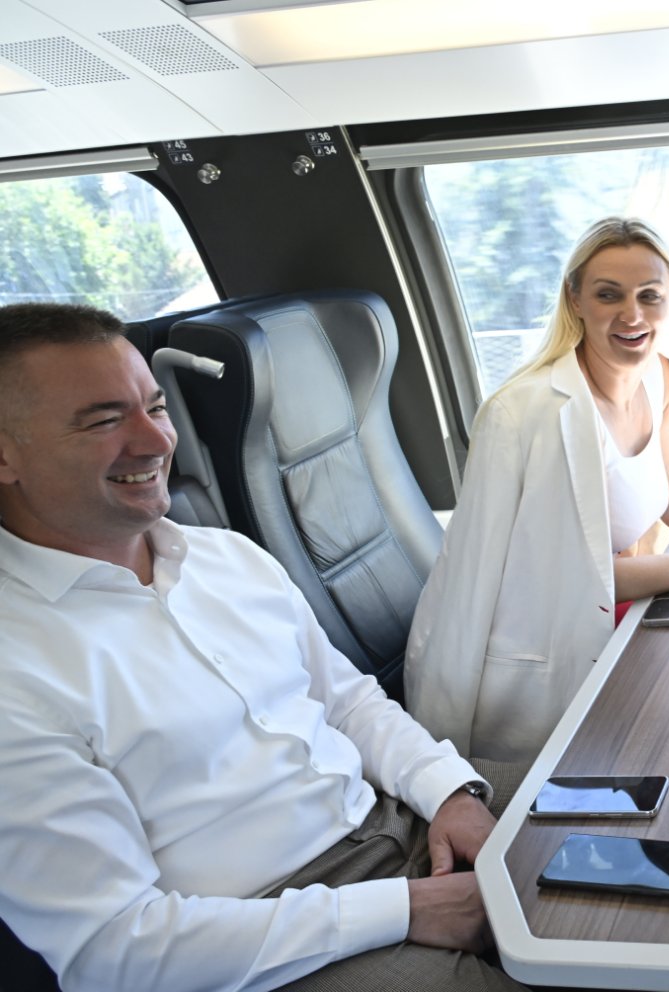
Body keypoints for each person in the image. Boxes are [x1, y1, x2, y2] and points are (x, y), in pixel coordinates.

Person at [0, 303, 526, 992]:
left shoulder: (226, 556)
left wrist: (449, 791)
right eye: (103, 421)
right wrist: (405, 908)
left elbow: (347, 703)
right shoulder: (16, 672)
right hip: (269, 934)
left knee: (626, 825)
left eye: (155, 408)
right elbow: (115, 948)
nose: (155, 441)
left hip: (391, 815)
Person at [406, 217, 669, 762]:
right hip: (541, 658)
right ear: (575, 300)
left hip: (618, 618)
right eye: (609, 295)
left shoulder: (661, 376)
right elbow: (583, 579)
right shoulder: (530, 413)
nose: (632, 315)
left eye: (649, 296)